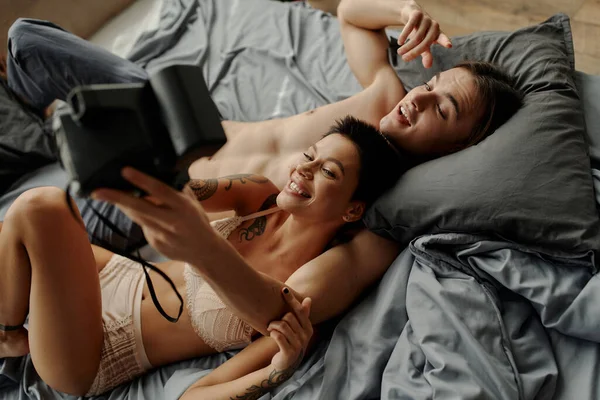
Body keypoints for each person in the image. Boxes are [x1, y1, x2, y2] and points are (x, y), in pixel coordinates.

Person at [1, 0, 522, 396]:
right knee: (28, 42)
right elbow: (349, 12)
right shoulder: (381, 99)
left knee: (37, 205)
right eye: (430, 84)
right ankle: (44, 132)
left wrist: (272, 371)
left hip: (108, 334)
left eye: (443, 109)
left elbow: (282, 313)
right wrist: (406, 9)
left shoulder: (363, 232)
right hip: (174, 148)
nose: (420, 95)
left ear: (460, 146)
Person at [0, 116, 408, 397]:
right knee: (32, 218)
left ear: (353, 209)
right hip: (116, 275)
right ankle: (11, 334)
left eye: (329, 172)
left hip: (101, 349)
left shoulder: (301, 293)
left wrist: (276, 371)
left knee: (40, 208)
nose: (305, 169)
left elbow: (196, 396)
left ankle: (8, 332)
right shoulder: (260, 194)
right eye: (309, 156)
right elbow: (182, 193)